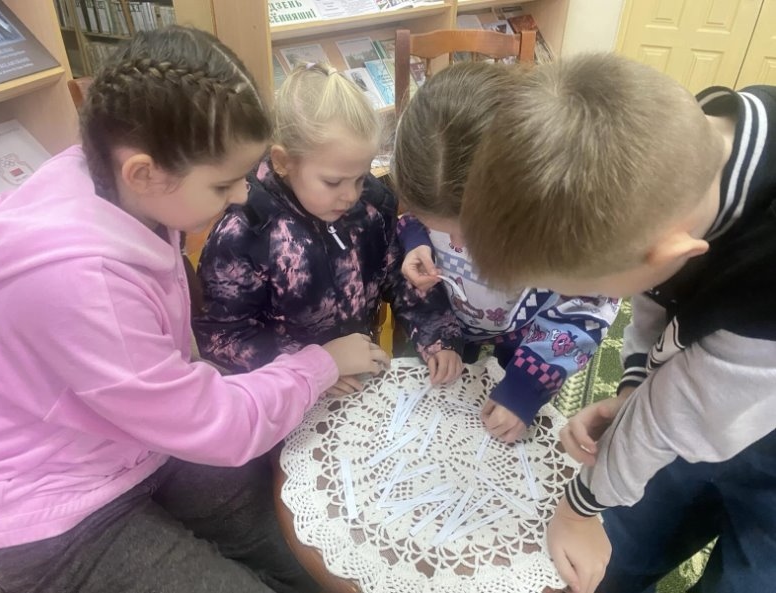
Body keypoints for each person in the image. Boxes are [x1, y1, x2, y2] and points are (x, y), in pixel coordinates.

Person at [0, 26, 390, 593]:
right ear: (144, 172)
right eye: (224, 184)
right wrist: (319, 365)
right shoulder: (83, 285)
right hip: (57, 510)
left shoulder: (121, 190)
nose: (243, 196)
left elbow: (180, 405)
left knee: (315, 547)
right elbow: (216, 423)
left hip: (142, 442)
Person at [460, 53, 776, 593]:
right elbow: (658, 292)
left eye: (589, 291)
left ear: (677, 251)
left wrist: (578, 509)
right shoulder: (684, 150)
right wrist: (633, 388)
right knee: (624, 550)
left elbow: (682, 416)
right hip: (707, 392)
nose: (570, 301)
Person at [194, 62, 464, 394]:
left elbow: (399, 276)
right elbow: (222, 337)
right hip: (289, 391)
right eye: (333, 182)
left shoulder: (372, 205)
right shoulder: (245, 232)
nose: (351, 195)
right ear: (283, 161)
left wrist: (438, 334)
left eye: (361, 176)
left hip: (360, 379)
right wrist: (317, 368)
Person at [392, 62, 618, 442]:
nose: (460, 245)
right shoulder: (433, 190)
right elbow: (412, 218)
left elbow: (585, 309)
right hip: (456, 324)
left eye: (480, 234)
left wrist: (525, 388)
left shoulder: (565, 234)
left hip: (532, 334)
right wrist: (417, 239)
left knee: (511, 415)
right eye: (442, 230)